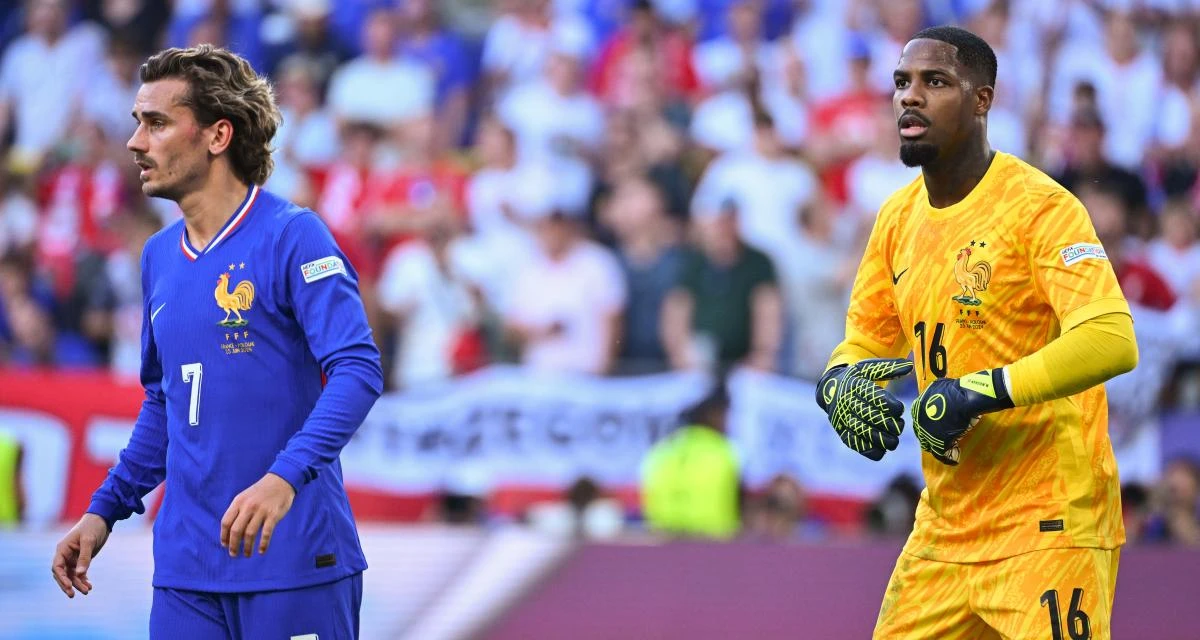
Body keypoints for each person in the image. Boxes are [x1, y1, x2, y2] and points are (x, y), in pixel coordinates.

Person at [49, 46, 384, 639]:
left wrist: (284, 479)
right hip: (186, 571)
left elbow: (357, 369)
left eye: (155, 123)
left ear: (217, 135)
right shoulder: (157, 256)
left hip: (293, 562)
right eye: (136, 122)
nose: (134, 142)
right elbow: (164, 401)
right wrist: (104, 509)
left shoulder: (293, 236)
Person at [814, 27, 1138, 638]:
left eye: (935, 82)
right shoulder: (896, 218)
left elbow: (1111, 337)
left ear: (982, 100)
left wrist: (978, 392)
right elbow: (864, 340)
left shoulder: (1040, 207)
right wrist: (836, 383)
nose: (911, 97)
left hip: (1049, 525)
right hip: (944, 531)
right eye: (902, 83)